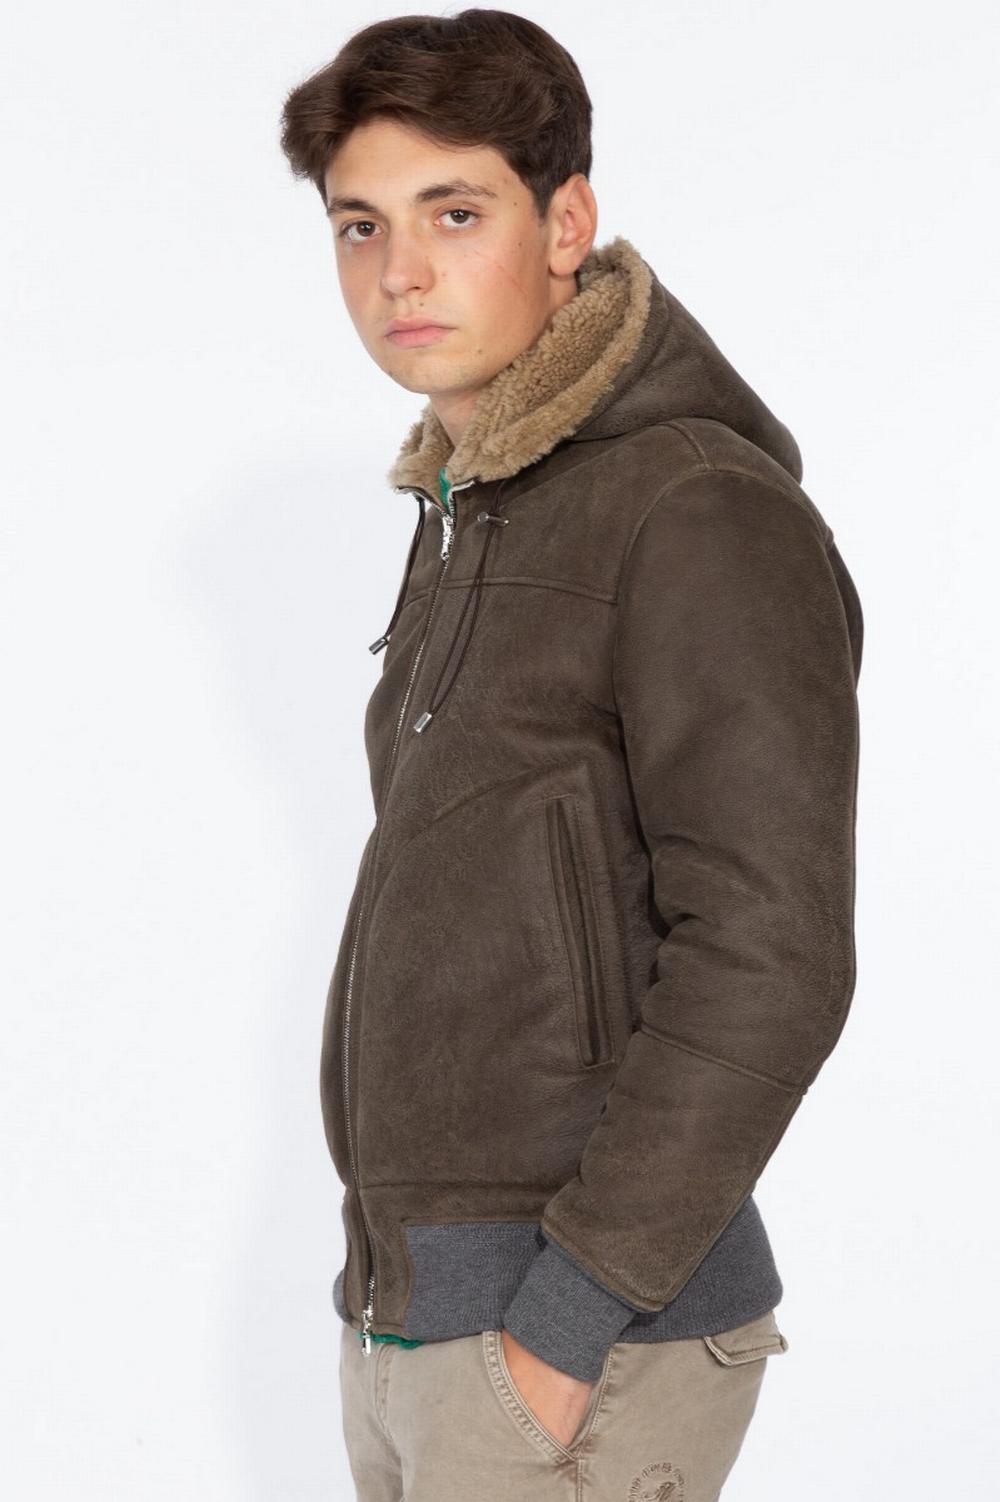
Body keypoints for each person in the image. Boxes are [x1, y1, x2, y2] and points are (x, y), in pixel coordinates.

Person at [279, 10, 862, 1500]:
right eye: (360, 225)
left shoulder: (695, 507)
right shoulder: (479, 509)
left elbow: (772, 951)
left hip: (578, 1341)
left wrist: (565, 1322)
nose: (399, 273)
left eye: (455, 213)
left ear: (566, 223)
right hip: (418, 1318)